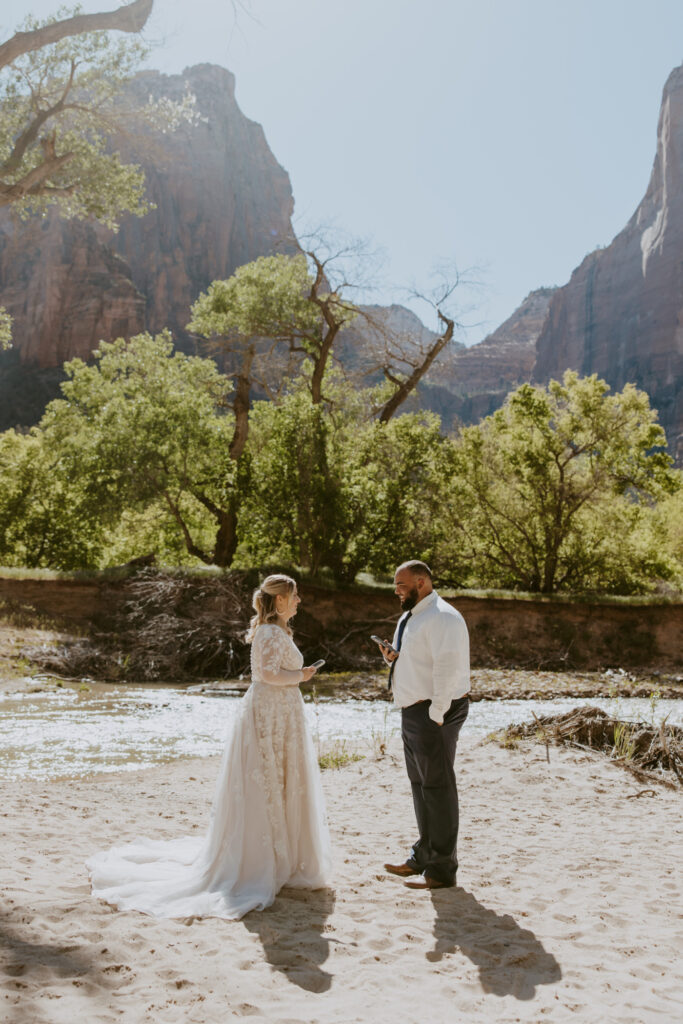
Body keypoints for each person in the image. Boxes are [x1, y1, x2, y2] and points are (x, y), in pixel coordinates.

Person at [87, 574, 332, 920]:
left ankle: (284, 857)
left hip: (282, 713)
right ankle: (266, 861)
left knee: (283, 781)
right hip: (269, 714)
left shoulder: (279, 631)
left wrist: (296, 676)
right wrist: (301, 676)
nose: (299, 601)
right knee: (268, 780)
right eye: (295, 596)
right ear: (279, 601)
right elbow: (266, 675)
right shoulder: (267, 632)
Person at [378, 560, 470, 890]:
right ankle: (423, 857)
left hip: (435, 712)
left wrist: (437, 714)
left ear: (421, 582)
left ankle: (442, 871)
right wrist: (392, 657)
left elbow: (448, 668)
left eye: (401, 585)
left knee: (438, 789)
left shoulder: (444, 617)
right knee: (421, 788)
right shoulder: (411, 616)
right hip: (412, 711)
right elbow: (416, 659)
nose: (396, 590)